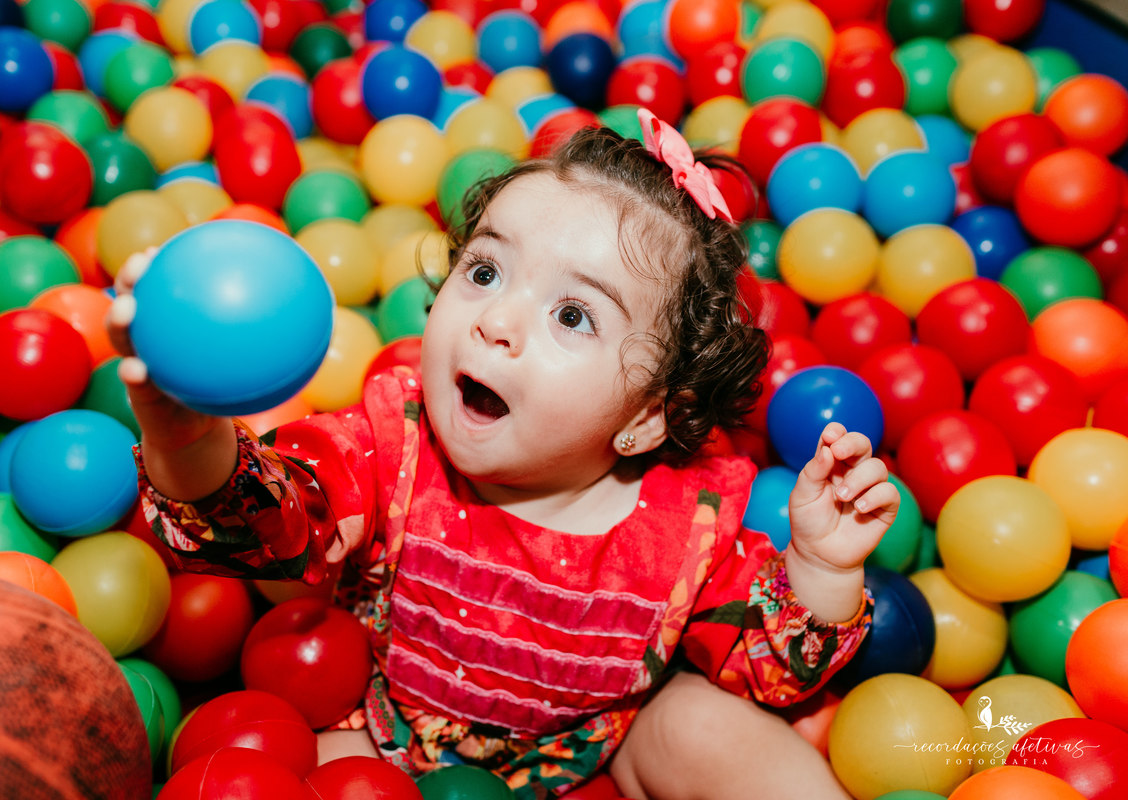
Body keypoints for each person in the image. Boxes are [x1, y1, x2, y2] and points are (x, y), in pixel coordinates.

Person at [106, 109, 900, 799]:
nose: (496, 322)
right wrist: (188, 433)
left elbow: (768, 667)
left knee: (703, 723)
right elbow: (273, 522)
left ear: (647, 417)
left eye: (573, 316)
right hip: (383, 733)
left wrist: (822, 569)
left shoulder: (686, 526)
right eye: (485, 271)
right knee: (302, 770)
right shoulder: (394, 443)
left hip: (592, 746)